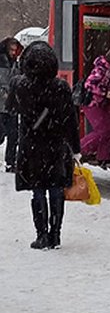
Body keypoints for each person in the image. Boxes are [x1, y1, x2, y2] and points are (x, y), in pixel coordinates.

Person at [7, 42, 80, 250]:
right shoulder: (61, 88)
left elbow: (10, 108)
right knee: (56, 189)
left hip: (32, 146)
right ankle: (55, 234)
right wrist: (75, 148)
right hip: (56, 147)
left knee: (37, 190)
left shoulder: (20, 85)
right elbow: (70, 121)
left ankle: (41, 236)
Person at [81, 48, 110, 165]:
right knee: (103, 130)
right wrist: (104, 93)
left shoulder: (109, 69)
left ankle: (104, 156)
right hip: (93, 104)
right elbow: (89, 84)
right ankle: (80, 149)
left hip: (101, 103)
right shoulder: (101, 69)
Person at [0, 36, 23, 172]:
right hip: (2, 103)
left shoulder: (16, 64)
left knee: (13, 135)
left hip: (12, 105)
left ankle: (10, 162)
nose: (14, 53)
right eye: (12, 50)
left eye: (15, 50)